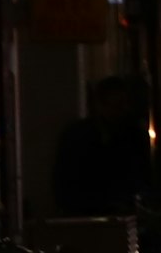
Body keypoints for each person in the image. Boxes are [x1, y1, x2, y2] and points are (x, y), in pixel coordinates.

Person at [52, 75, 152, 218]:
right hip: (87, 212)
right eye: (117, 106)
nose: (122, 111)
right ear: (100, 105)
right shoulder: (79, 136)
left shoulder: (132, 135)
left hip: (115, 212)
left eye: (124, 105)